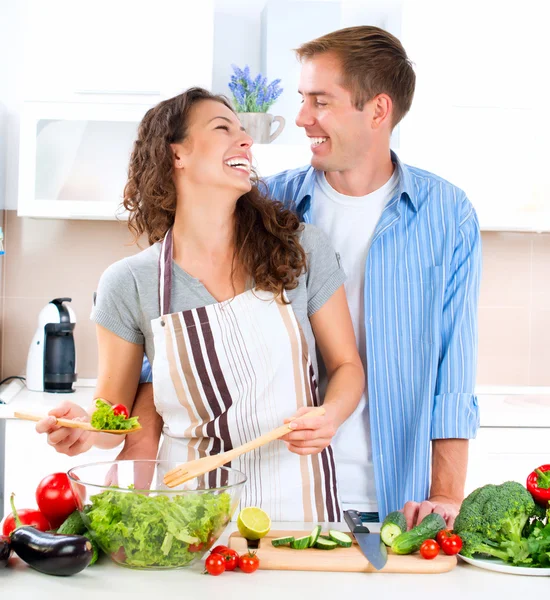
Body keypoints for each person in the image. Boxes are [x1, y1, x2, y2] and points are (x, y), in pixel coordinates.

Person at [131, 25, 482, 528]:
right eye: (302, 99)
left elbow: (453, 371)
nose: (301, 118)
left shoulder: (447, 216)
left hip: (391, 498)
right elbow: (167, 358)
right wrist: (133, 489)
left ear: (378, 111)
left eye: (320, 101)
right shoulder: (266, 207)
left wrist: (446, 496)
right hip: (271, 495)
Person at [35, 88, 365, 522]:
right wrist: (81, 429)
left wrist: (330, 415)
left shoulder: (300, 248)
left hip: (297, 512)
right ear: (177, 155)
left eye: (245, 133)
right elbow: (112, 419)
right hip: (189, 517)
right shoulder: (130, 283)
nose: (245, 140)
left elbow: (347, 367)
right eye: (223, 128)